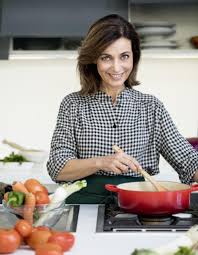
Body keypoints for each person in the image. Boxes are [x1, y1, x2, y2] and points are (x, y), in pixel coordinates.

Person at [47, 14, 198, 204]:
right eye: (106, 57)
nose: (117, 67)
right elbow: (57, 167)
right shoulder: (73, 105)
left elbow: (188, 160)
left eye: (124, 56)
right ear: (94, 59)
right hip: (84, 204)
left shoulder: (151, 107)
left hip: (138, 204)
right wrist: (102, 162)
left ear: (134, 56)